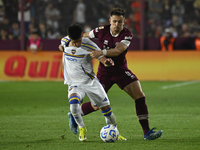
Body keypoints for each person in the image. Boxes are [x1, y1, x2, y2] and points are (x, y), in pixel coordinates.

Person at [68, 8, 163, 140]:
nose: (117, 24)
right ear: (110, 21)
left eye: (120, 22)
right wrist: (66, 41)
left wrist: (101, 52)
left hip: (120, 70)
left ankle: (147, 132)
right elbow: (82, 35)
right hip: (104, 72)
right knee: (96, 105)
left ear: (124, 22)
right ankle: (74, 114)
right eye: (114, 21)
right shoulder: (101, 30)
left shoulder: (127, 35)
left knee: (139, 96)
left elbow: (119, 50)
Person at [59, 23, 119, 141]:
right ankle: (82, 128)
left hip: (90, 82)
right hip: (74, 83)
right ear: (70, 38)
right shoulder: (65, 41)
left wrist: (106, 62)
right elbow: (61, 46)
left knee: (106, 110)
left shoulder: (89, 44)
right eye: (75, 42)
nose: (78, 44)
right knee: (74, 105)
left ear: (83, 35)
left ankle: (114, 132)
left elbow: (100, 57)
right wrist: (61, 48)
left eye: (79, 40)